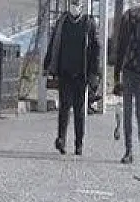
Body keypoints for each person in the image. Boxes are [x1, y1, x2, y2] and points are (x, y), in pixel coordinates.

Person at [44, 0, 101, 156]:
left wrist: (94, 73)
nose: (74, 7)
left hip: (81, 74)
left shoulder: (89, 23)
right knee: (63, 108)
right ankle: (61, 139)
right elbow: (53, 44)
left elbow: (96, 49)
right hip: (65, 72)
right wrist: (47, 65)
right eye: (72, 4)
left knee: (79, 110)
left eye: (77, 4)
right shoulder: (62, 22)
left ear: (82, 7)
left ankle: (78, 143)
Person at [113, 0, 140, 164]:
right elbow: (120, 47)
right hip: (128, 71)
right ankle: (128, 150)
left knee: (139, 112)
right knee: (127, 113)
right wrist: (117, 75)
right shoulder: (125, 19)